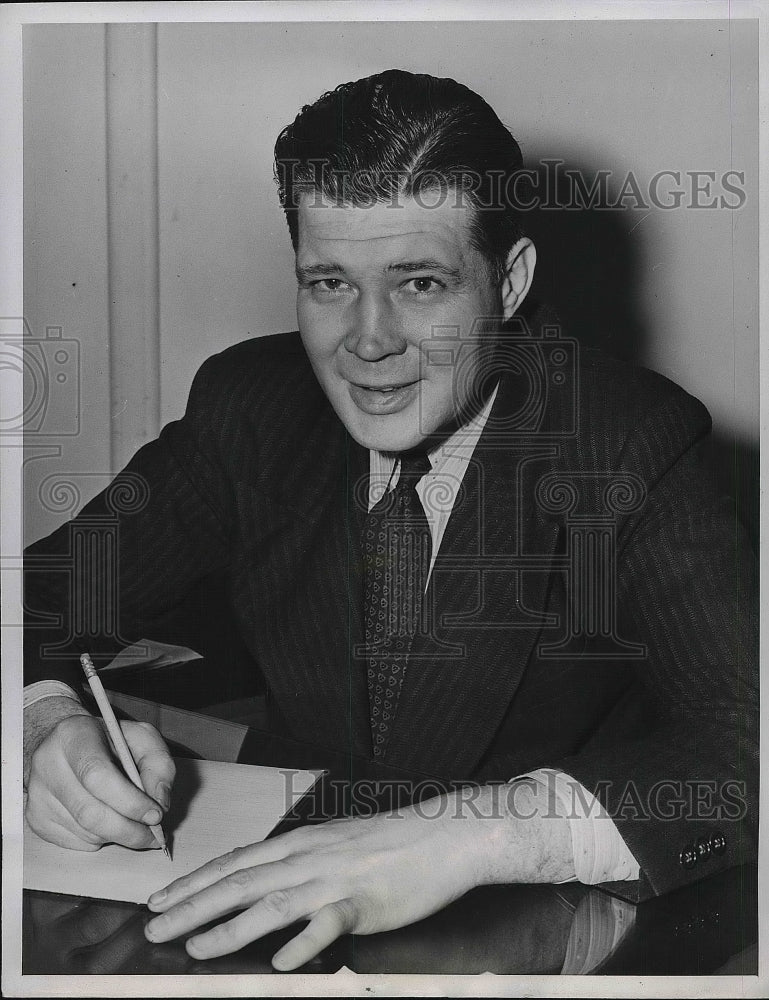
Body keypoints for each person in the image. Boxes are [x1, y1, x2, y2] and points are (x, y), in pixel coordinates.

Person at [23, 69, 757, 969]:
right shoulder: (250, 407)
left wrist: (469, 835)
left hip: (549, 944)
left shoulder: (627, 441)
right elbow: (37, 594)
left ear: (510, 280)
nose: (368, 340)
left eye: (419, 283)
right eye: (329, 282)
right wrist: (46, 724)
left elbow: (744, 741)